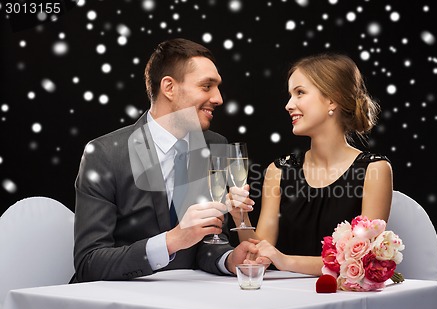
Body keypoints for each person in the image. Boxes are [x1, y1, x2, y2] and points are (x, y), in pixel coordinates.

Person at [72, 38, 258, 282]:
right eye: (206, 86)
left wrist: (228, 259)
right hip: (119, 306)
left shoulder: (215, 145)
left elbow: (211, 241)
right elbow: (89, 263)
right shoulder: (105, 154)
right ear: (169, 87)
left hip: (189, 301)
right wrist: (172, 241)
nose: (218, 98)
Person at [228, 53, 393, 276]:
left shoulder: (375, 170)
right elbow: (259, 255)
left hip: (342, 301)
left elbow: (361, 261)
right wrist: (241, 217)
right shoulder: (279, 171)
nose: (288, 105)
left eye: (300, 93)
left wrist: (285, 261)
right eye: (290, 95)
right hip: (286, 299)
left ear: (332, 99)